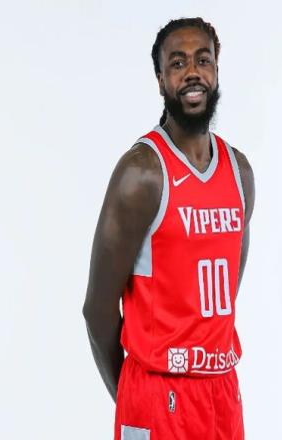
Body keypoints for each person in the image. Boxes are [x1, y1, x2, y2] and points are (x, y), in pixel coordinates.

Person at [82, 17, 255, 439]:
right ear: (160, 80)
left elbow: (225, 290)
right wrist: (134, 396)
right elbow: (97, 309)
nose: (192, 72)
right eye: (178, 63)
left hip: (221, 391)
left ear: (216, 70)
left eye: (203, 60)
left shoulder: (239, 173)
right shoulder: (141, 173)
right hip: (158, 393)